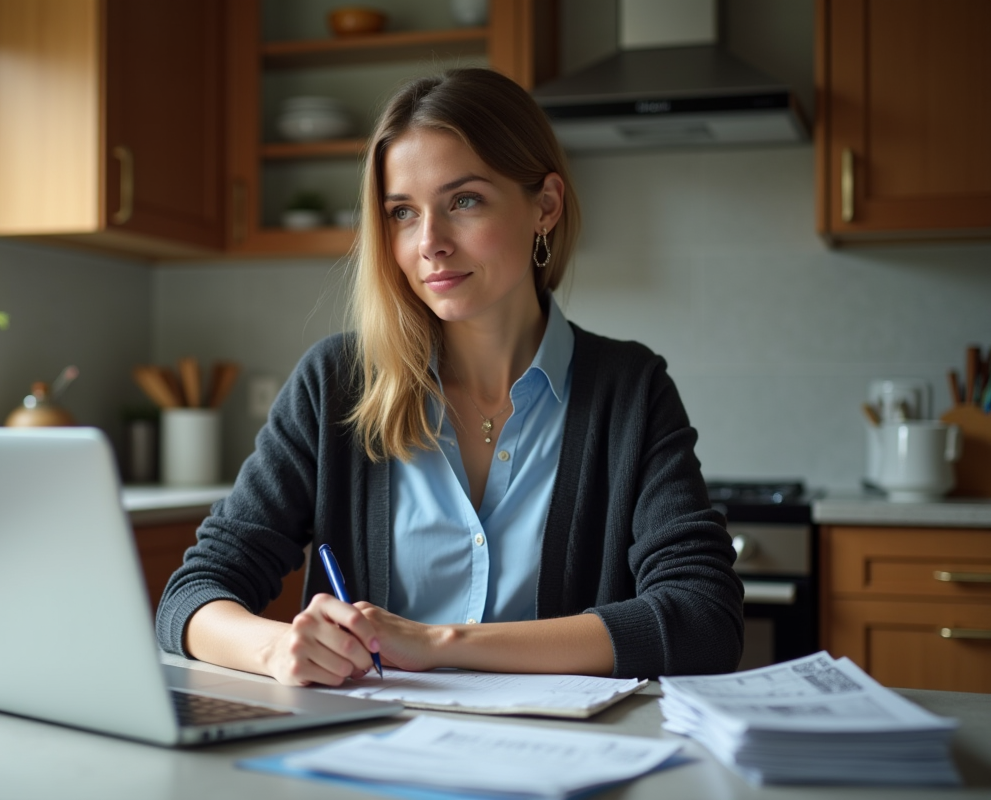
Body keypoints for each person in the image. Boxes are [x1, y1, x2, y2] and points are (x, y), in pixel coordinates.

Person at [156, 68, 743, 687]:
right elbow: (192, 596)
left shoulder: (630, 390)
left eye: (464, 201)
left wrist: (437, 643)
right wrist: (276, 650)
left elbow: (705, 620)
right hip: (373, 763)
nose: (429, 242)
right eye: (402, 212)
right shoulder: (336, 383)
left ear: (544, 206)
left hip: (562, 765)